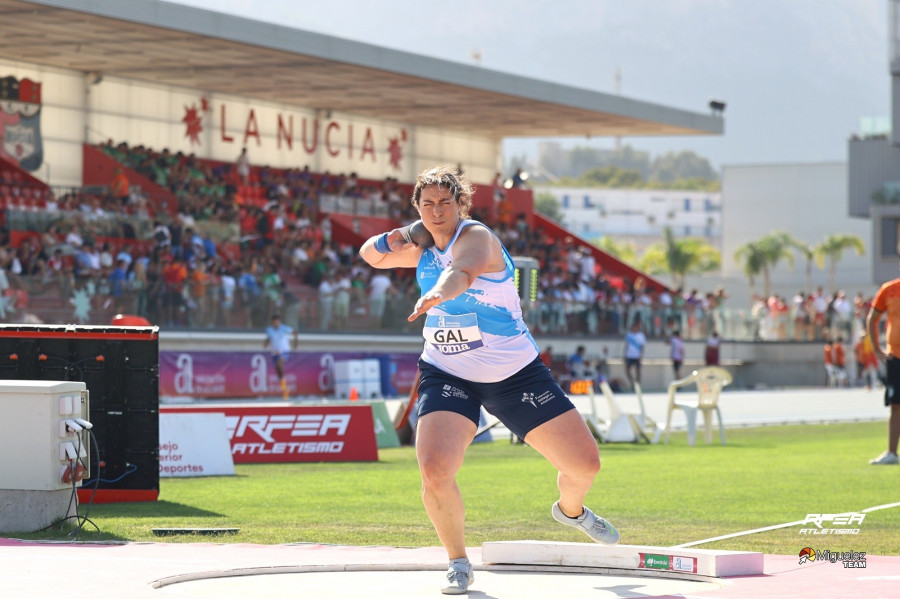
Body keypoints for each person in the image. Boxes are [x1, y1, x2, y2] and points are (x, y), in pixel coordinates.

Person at [359, 165, 618, 595]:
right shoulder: (422, 243)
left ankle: (571, 512)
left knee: (584, 465)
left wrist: (439, 292)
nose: (438, 211)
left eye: (445, 203)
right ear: (418, 209)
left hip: (514, 374)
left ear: (461, 204)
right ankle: (458, 561)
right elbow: (371, 255)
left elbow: (461, 272)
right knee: (434, 468)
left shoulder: (477, 237)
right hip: (447, 371)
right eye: (428, 205)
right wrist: (401, 235)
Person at [865, 274, 900, 465]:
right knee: (896, 405)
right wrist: (877, 349)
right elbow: (873, 319)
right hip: (896, 356)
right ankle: (892, 453)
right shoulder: (889, 289)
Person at [263, 313, 297, 401]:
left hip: (284, 351)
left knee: (279, 365)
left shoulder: (284, 328)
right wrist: (266, 343)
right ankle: (285, 389)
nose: (276, 324)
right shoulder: (269, 330)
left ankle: (285, 389)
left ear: (279, 322)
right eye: (274, 322)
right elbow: (269, 338)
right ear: (272, 322)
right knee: (278, 371)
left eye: (277, 322)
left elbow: (295, 332)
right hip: (275, 353)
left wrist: (295, 343)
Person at [624, 320, 646, 390]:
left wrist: (641, 356)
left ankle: (638, 384)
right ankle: (633, 382)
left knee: (638, 370)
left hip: (637, 355)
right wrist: (625, 354)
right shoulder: (629, 335)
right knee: (627, 370)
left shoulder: (641, 336)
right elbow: (626, 345)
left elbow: (642, 347)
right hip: (630, 355)